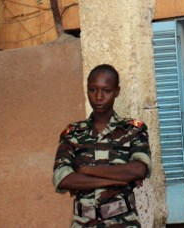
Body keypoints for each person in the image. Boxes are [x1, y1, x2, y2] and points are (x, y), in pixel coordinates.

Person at [53, 64, 151, 227]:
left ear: (116, 91)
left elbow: (139, 169)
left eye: (106, 90)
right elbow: (63, 178)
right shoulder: (73, 133)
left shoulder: (133, 130)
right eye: (93, 90)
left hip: (123, 221)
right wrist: (118, 180)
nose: (99, 96)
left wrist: (86, 170)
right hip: (83, 222)